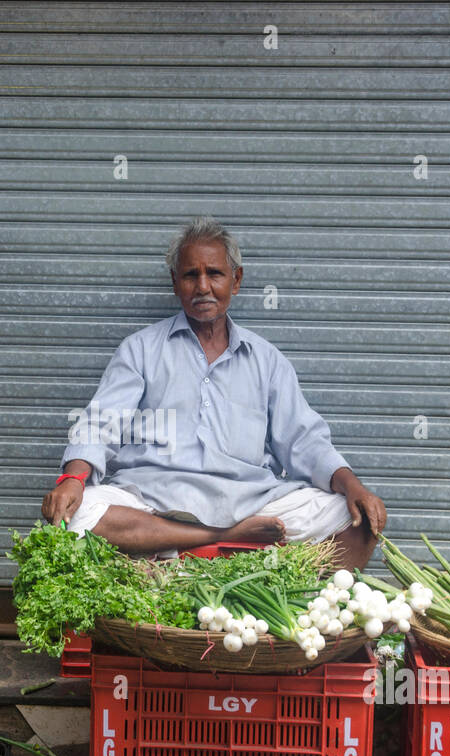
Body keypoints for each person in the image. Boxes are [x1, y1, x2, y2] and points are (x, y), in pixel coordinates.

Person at [42, 216, 387, 568]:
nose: (203, 286)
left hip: (252, 501)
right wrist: (73, 480)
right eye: (191, 275)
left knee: (355, 518)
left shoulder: (266, 359)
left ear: (236, 281)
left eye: (215, 274)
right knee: (80, 514)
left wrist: (353, 486)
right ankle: (224, 537)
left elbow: (305, 441)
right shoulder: (140, 350)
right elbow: (100, 424)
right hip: (154, 501)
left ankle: (309, 615)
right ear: (175, 283)